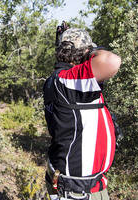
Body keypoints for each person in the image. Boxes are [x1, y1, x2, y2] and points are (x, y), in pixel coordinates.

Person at [43, 28, 121, 200]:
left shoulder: (63, 81)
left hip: (88, 184)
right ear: (84, 53)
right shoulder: (66, 80)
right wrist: (93, 50)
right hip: (76, 188)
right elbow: (112, 61)